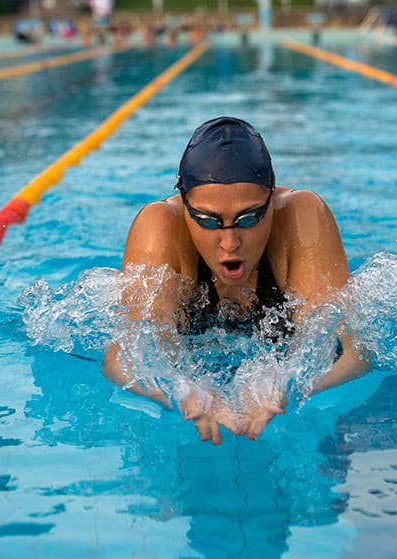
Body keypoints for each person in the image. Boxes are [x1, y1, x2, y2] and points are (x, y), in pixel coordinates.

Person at [102, 117, 369, 444]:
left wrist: (289, 384)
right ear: (184, 205)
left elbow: (355, 350)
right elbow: (125, 357)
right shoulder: (160, 230)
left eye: (249, 218)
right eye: (208, 221)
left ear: (272, 199)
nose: (230, 242)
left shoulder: (302, 218)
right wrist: (181, 391)